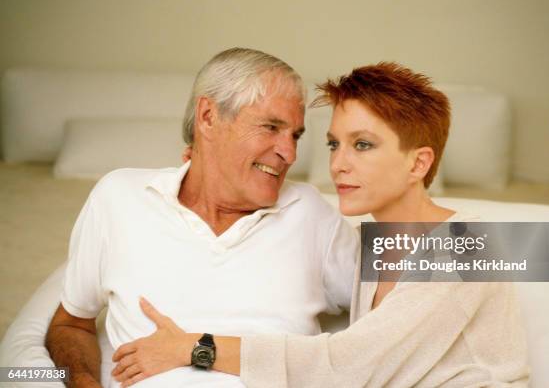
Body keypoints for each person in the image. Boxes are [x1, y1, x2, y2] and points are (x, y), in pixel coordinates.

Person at [112, 62, 530, 387]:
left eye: (362, 145)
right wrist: (213, 168)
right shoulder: (377, 245)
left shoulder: (469, 246)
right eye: (334, 144)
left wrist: (195, 348)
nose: (338, 164)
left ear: (418, 162)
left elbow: (346, 368)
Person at [44, 48, 359, 387]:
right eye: (271, 127)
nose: (290, 153)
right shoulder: (119, 197)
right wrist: (83, 383)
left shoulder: (310, 212)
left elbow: (406, 303)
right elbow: (71, 324)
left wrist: (400, 186)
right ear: (208, 117)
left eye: (295, 135)